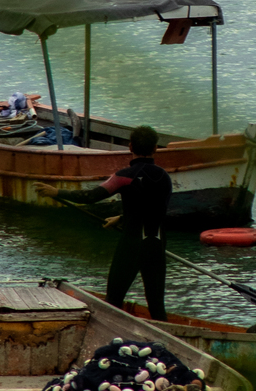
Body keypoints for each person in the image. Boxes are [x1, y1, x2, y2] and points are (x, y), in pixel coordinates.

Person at [41, 125, 173, 320]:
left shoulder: (123, 176)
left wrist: (57, 192)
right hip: (156, 243)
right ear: (155, 148)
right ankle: (166, 337)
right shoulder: (165, 178)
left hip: (132, 243)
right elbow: (154, 211)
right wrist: (121, 219)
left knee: (114, 300)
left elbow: (91, 196)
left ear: (130, 146)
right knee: (157, 306)